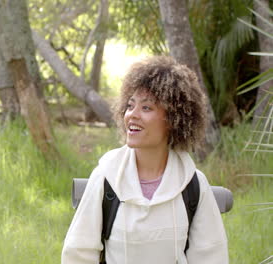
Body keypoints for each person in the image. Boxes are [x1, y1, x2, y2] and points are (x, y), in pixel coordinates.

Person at [61, 56, 228, 264]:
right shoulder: (106, 177)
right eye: (130, 106)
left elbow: (211, 257)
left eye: (146, 108)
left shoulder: (193, 185)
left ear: (174, 119)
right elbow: (78, 253)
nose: (133, 115)